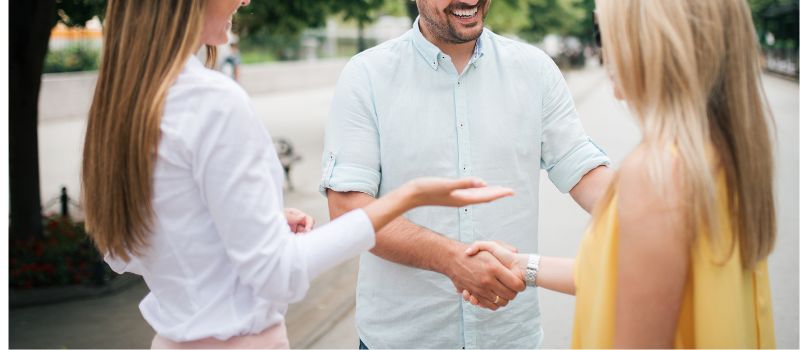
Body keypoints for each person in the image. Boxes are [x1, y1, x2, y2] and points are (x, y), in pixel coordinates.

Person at [80, 0, 513, 348]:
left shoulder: (128, 101)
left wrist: (250, 224)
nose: (246, 0)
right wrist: (408, 197)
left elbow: (124, 252)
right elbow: (279, 274)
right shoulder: (213, 101)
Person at [463, 0, 777, 347]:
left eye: (603, 30)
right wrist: (524, 266)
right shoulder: (717, 157)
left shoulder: (656, 177)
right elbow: (629, 275)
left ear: (649, 41)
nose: (601, 48)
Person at [321, 0, 614, 348]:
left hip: (509, 338)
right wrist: (450, 259)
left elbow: (585, 172)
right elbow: (348, 209)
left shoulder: (535, 70)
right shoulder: (366, 75)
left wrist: (664, 212)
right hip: (402, 339)